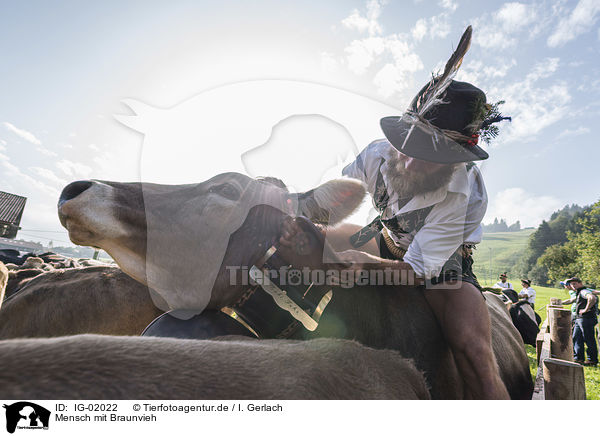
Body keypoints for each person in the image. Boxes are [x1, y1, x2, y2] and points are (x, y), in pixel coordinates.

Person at [283, 28, 511, 399]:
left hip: (444, 265)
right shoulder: (378, 153)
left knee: (473, 350)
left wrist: (366, 265)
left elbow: (420, 269)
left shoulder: (462, 193)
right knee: (314, 238)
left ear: (453, 162)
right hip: (384, 236)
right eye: (407, 142)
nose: (406, 159)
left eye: (425, 154)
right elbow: (332, 205)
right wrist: (302, 221)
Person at [564, 277, 598, 366]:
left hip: (586, 318)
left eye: (575, 284)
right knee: (576, 337)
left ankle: (592, 360)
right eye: (571, 284)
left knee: (589, 339)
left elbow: (592, 298)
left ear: (580, 283)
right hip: (580, 319)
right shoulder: (579, 292)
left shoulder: (583, 291)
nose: (573, 286)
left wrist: (586, 309)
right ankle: (578, 358)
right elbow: (572, 300)